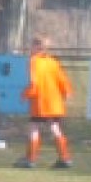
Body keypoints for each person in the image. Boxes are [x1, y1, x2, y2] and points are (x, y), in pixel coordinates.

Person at [16, 35, 73, 169]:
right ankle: (65, 157)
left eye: (32, 45)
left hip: (41, 101)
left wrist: (25, 95)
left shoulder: (34, 61)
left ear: (36, 47)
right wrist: (67, 92)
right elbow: (62, 80)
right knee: (54, 127)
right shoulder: (52, 61)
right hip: (55, 101)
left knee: (34, 127)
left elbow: (34, 83)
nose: (30, 48)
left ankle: (30, 159)